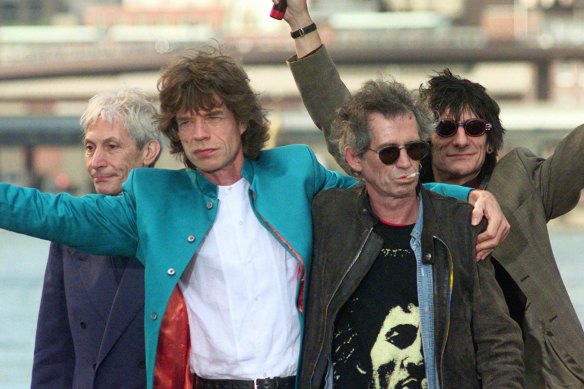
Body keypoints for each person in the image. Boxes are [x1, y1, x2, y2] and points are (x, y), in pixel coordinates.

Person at [0, 48, 497, 389]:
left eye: (212, 116)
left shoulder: (295, 172)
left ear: (241, 119)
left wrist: (470, 199)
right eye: (186, 122)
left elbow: (386, 182)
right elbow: (51, 211)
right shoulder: (154, 197)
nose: (199, 133)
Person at [275, 0, 584, 386]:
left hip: (539, 371)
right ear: (425, 139)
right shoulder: (400, 186)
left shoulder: (522, 184)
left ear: (491, 141)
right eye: (445, 128)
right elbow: (340, 117)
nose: (460, 139)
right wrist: (301, 23)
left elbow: (576, 156)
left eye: (474, 128)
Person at [302, 78, 524, 389]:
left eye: (415, 149)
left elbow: (498, 342)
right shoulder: (327, 217)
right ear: (354, 159)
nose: (406, 163)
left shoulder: (459, 226)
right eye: (389, 153)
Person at [31, 88, 163, 389]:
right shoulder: (71, 231)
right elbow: (53, 348)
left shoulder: (176, 228)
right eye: (90, 147)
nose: (96, 162)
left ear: (149, 152)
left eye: (112, 146)